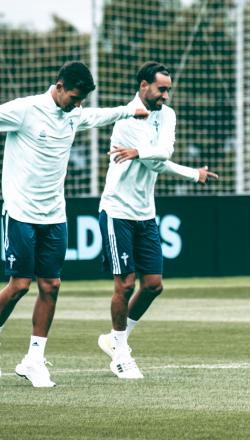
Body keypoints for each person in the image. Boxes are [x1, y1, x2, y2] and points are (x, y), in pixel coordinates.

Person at [0, 61, 148, 387]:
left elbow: (101, 115)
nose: (77, 104)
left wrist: (128, 111)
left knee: (51, 286)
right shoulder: (25, 110)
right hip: (21, 213)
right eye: (75, 97)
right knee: (20, 285)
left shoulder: (74, 115)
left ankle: (34, 359)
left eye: (82, 100)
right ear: (60, 86)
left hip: (55, 216)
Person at [95, 61, 218, 379]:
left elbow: (161, 154)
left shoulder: (169, 115)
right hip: (117, 210)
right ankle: (120, 353)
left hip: (145, 212)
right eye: (161, 88)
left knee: (153, 285)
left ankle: (113, 340)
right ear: (143, 86)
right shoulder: (125, 119)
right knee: (125, 284)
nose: (165, 94)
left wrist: (189, 172)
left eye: (168, 89)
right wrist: (147, 154)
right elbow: (157, 161)